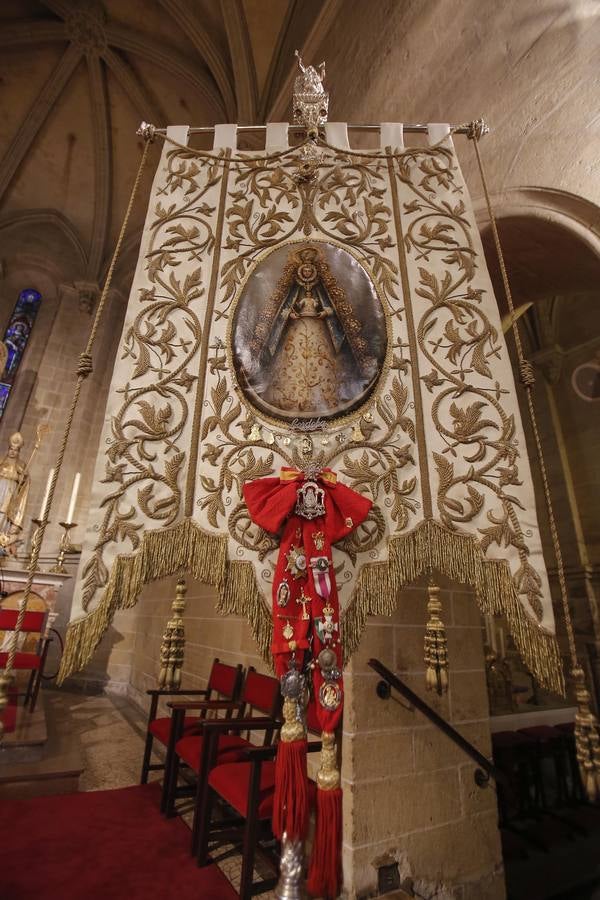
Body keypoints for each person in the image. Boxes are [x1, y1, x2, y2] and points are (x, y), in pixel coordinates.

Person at [0, 432, 30, 554]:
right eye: (11, 449)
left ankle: (2, 540)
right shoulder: (1, 461)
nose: (13, 452)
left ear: (19, 452)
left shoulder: (21, 465)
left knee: (3, 516)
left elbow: (25, 485)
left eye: (16, 450)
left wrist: (24, 479)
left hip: (10, 493)